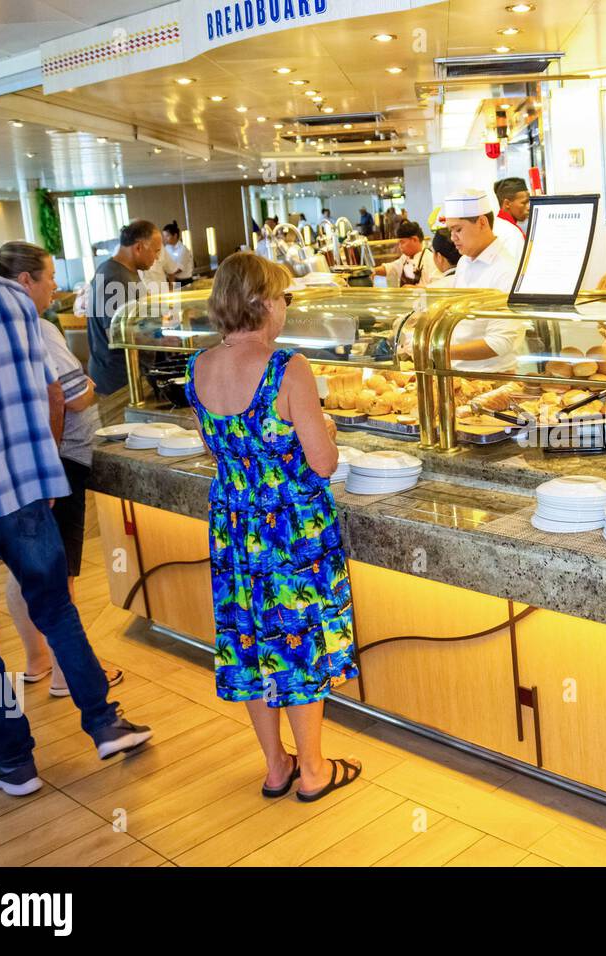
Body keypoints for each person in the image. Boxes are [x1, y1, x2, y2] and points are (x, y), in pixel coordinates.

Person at [0, 190, 151, 797]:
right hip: (22, 485)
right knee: (57, 607)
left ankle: (13, 759)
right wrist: (45, 466)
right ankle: (104, 723)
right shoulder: (6, 296)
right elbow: (45, 390)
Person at [184, 252, 361, 802]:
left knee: (250, 641)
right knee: (297, 641)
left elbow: (219, 445)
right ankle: (313, 770)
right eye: (283, 296)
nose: (285, 307)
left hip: (233, 529)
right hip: (290, 531)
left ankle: (275, 766)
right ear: (262, 302)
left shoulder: (199, 366)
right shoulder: (289, 368)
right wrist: (323, 427)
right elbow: (324, 462)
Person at [0, 241, 124, 698]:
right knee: (58, 573)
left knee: (21, 570)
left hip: (13, 462)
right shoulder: (37, 326)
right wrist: (86, 389)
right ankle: (70, 673)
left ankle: (38, 661)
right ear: (26, 282)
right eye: (48, 277)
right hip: (56, 460)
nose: (55, 286)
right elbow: (71, 394)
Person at [86, 219, 162, 425]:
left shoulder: (122, 273)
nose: (157, 258)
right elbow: (117, 333)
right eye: (155, 251)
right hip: (118, 380)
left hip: (128, 376)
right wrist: (165, 341)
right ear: (138, 247)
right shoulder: (115, 277)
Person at [444, 188, 522, 372]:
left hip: (493, 377)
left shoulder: (506, 270)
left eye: (458, 229)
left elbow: (500, 343)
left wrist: (440, 351)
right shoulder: (464, 262)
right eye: (450, 231)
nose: (453, 238)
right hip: (459, 372)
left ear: (481, 222)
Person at [373, 220, 440, 288]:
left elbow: (437, 288)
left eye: (402, 242)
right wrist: (374, 271)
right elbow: (392, 268)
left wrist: (415, 288)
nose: (400, 246)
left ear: (414, 239)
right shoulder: (405, 258)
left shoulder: (431, 260)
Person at [493, 177, 531, 261]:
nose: (528, 207)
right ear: (507, 204)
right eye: (524, 202)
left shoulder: (495, 224)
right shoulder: (512, 234)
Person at [159, 221, 195, 286]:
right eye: (164, 236)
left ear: (175, 235)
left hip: (185, 281)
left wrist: (166, 273)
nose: (164, 239)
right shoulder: (166, 248)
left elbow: (179, 269)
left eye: (167, 236)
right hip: (172, 280)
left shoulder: (183, 250)